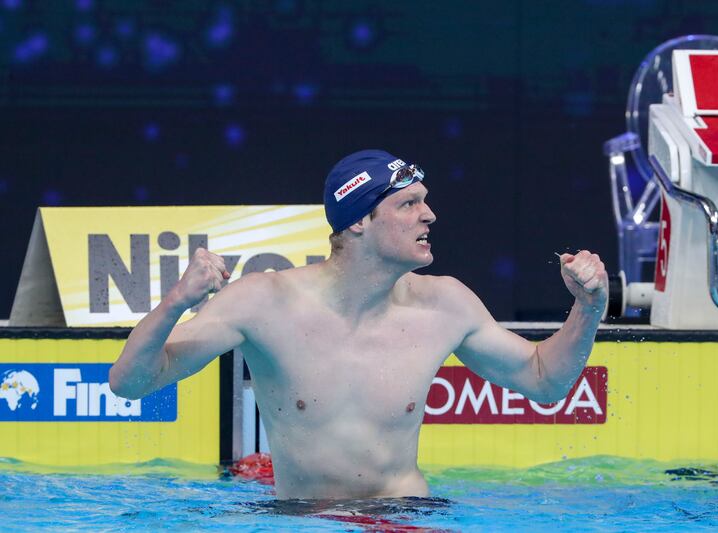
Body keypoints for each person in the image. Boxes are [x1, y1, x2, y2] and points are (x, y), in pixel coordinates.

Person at [109, 149, 608, 500]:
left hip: (407, 516)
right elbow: (130, 383)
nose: (429, 215)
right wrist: (176, 301)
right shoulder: (264, 301)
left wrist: (588, 307)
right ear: (357, 221)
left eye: (425, 201)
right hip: (306, 519)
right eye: (408, 204)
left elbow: (545, 381)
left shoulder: (446, 304)